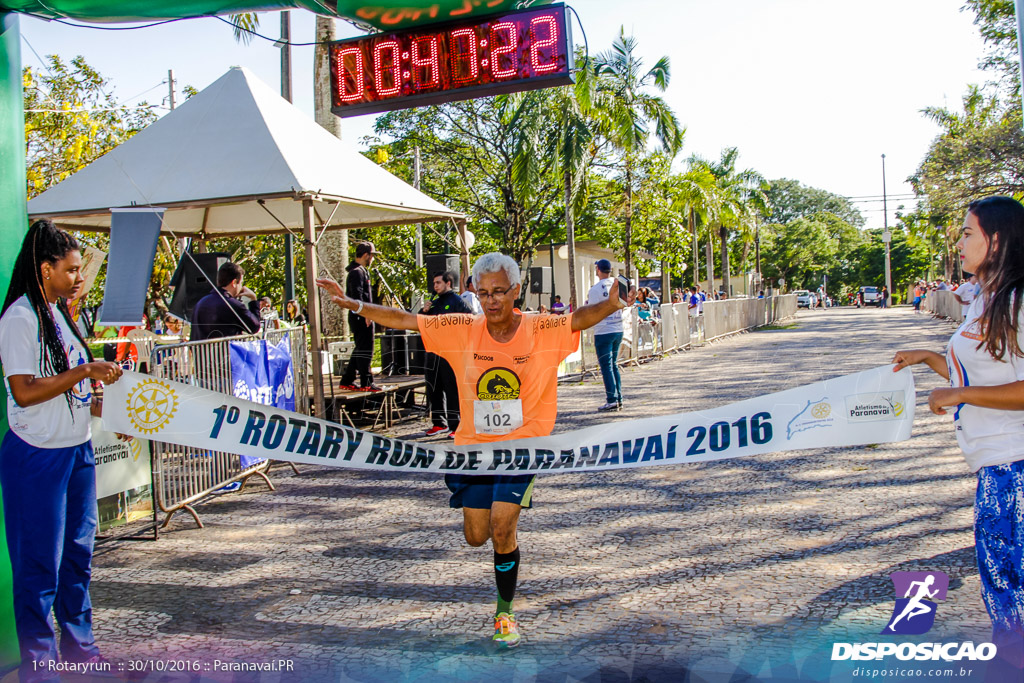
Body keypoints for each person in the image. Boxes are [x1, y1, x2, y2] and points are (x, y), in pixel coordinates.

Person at [316, 252, 633, 649]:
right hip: (473, 450)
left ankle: (505, 612)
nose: (491, 300)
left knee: (502, 526)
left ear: (516, 290)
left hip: (523, 447)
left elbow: (578, 319)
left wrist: (609, 303)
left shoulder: (539, 328)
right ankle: (502, 565)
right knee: (476, 535)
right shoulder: (464, 328)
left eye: (499, 291)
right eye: (483, 293)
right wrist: (354, 304)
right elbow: (407, 320)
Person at [893, 196, 1024, 672]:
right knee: (1001, 589)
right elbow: (981, 371)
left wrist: (959, 397)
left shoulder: (1018, 300)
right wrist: (929, 359)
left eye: (968, 232)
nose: (960, 241)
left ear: (998, 239)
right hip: (993, 466)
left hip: (1017, 466)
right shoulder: (984, 298)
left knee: (1012, 591)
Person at [0, 219, 125, 681]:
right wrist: (84, 372)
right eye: (71, 270)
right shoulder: (20, 318)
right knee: (39, 567)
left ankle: (80, 651)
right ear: (45, 268)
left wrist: (111, 412)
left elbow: (69, 392)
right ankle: (40, 668)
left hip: (77, 452)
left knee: (77, 557)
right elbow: (26, 392)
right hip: (37, 457)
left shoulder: (60, 316)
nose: (78, 279)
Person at [421, 271, 471, 437]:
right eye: (434, 283)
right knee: (433, 389)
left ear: (448, 283)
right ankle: (438, 423)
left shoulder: (458, 301)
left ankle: (456, 426)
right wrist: (424, 311)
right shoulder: (433, 303)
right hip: (432, 353)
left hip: (451, 353)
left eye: (438, 283)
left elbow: (471, 322)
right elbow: (421, 325)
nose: (435, 286)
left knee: (452, 390)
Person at [338, 242, 380, 392]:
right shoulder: (357, 272)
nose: (373, 259)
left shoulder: (361, 271)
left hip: (362, 314)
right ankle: (366, 381)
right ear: (365, 255)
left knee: (360, 348)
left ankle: (348, 378)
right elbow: (357, 296)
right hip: (360, 316)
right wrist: (365, 314)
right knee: (366, 349)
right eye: (372, 256)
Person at [586, 259, 626, 412]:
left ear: (598, 269)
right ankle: (619, 398)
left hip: (603, 330)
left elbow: (592, 310)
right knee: (614, 364)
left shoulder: (595, 289)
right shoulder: (618, 285)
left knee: (606, 366)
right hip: (618, 327)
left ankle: (612, 399)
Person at [190, 261, 261, 341]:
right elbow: (254, 327)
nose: (241, 287)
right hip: (225, 352)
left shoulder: (200, 303)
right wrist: (253, 300)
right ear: (234, 282)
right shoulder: (233, 305)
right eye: (241, 283)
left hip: (201, 353)